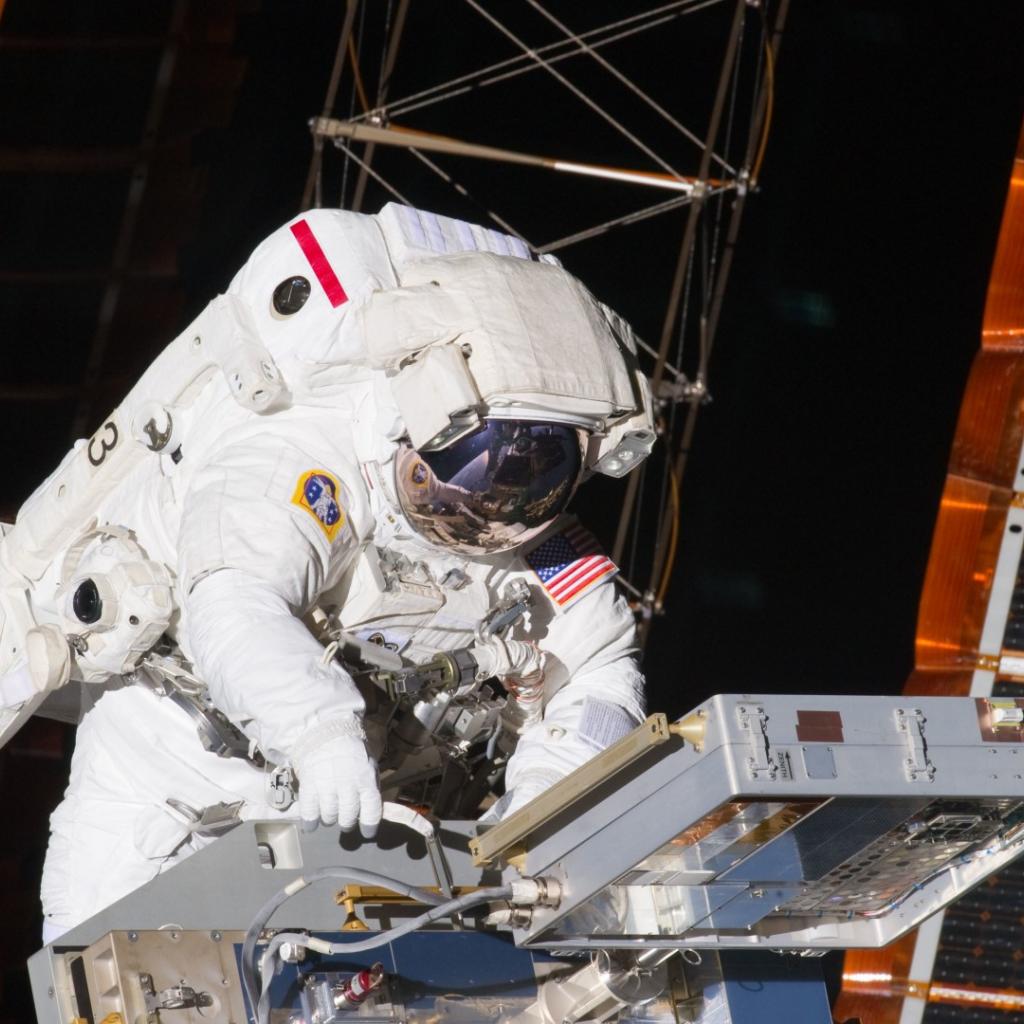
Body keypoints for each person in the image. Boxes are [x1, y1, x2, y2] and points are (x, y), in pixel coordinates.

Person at [0, 204, 655, 941]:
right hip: (167, 761)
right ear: (417, 418)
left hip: (347, 811)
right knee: (99, 955)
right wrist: (318, 732)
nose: (484, 513)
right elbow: (234, 598)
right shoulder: (307, 456)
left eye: (529, 486)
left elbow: (602, 675)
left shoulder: (540, 548)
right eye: (462, 480)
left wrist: (537, 810)